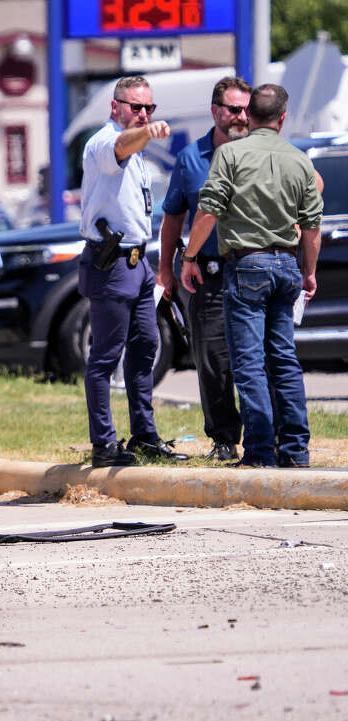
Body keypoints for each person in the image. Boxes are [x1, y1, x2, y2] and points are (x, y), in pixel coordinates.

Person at [182, 84, 322, 468]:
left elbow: (207, 211)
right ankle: (294, 450)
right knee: (284, 360)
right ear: (282, 118)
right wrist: (308, 272)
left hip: (246, 267)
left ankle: (260, 452)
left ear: (250, 115)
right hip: (287, 266)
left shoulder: (229, 153)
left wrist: (189, 256)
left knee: (248, 363)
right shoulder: (298, 159)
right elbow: (312, 226)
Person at [78, 75, 189, 467]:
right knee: (105, 357)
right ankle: (103, 444)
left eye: (148, 108)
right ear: (115, 107)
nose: (142, 114)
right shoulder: (105, 142)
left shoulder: (137, 152)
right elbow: (121, 146)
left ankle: (143, 434)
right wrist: (146, 132)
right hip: (111, 263)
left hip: (138, 262)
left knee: (145, 348)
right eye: (135, 107)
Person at [158, 77, 250, 463]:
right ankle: (224, 438)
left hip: (251, 269)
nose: (242, 116)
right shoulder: (191, 158)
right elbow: (173, 218)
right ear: (215, 112)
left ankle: (267, 436)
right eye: (234, 109)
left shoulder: (261, 153)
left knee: (254, 358)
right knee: (212, 359)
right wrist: (165, 269)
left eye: (247, 109)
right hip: (206, 272)